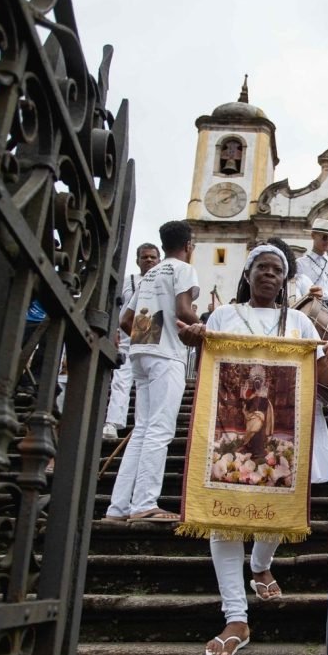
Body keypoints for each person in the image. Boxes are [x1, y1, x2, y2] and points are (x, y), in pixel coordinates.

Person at [178, 244, 328, 655]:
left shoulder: (302, 322)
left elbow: (321, 373)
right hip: (228, 426)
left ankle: (260, 564)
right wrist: (195, 340)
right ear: (248, 274)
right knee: (222, 520)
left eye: (277, 270)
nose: (270, 275)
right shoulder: (223, 316)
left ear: (285, 280)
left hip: (288, 429)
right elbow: (213, 367)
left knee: (281, 511)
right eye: (262, 268)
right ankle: (236, 617)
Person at [103, 221, 200, 522]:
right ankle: (145, 503)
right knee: (159, 430)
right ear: (188, 245)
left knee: (142, 430)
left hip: (142, 352)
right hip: (166, 356)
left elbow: (125, 320)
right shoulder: (182, 269)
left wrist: (149, 338)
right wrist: (201, 329)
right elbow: (184, 311)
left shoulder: (150, 274)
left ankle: (118, 508)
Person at [102, 243, 161, 440]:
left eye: (153, 257)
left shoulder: (163, 283)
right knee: (122, 378)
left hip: (153, 332)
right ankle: (113, 422)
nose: (149, 260)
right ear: (137, 261)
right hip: (127, 333)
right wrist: (114, 331)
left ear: (159, 260)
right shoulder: (127, 282)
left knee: (149, 381)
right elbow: (115, 306)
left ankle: (145, 426)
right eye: (145, 257)